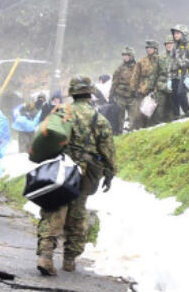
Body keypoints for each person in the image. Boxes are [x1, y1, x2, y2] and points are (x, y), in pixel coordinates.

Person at [36, 75, 116, 276]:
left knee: (55, 209)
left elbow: (47, 136)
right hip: (86, 171)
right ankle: (70, 259)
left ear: (72, 93)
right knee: (78, 213)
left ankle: (46, 255)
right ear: (90, 93)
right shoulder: (100, 119)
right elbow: (107, 150)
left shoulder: (63, 111)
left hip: (63, 168)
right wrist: (109, 172)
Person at [168, 25, 189, 118]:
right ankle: (176, 117)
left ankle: (187, 114)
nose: (175, 35)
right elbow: (171, 63)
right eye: (174, 33)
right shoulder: (174, 47)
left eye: (178, 33)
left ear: (183, 34)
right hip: (176, 73)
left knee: (181, 93)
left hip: (187, 72)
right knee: (174, 95)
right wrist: (170, 78)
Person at [132, 40, 163, 129]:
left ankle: (152, 128)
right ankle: (137, 129)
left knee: (154, 112)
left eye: (151, 48)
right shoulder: (142, 61)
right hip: (142, 90)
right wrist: (133, 89)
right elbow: (135, 76)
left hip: (156, 89)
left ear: (155, 49)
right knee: (139, 112)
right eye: (147, 48)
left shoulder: (161, 60)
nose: (149, 50)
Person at [110, 47, 140, 129]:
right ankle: (119, 133)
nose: (125, 57)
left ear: (132, 56)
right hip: (121, 96)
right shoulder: (119, 68)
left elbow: (141, 81)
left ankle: (133, 134)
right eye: (124, 55)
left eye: (127, 55)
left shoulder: (138, 67)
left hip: (133, 97)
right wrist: (111, 95)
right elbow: (114, 83)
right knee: (119, 119)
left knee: (134, 120)